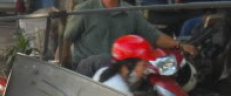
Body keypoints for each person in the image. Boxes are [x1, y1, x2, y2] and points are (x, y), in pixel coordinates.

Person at [64, 0, 198, 68]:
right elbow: (65, 40)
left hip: (123, 69)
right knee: (104, 59)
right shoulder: (84, 10)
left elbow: (154, 35)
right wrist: (64, 69)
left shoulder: (131, 11)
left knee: (170, 64)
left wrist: (179, 45)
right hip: (90, 72)